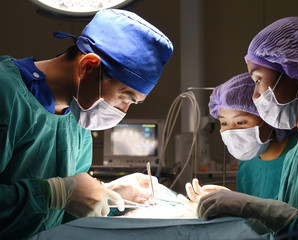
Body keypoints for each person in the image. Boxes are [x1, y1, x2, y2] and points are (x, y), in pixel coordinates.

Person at [0, 9, 173, 240]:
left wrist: (108, 194)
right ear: (88, 67)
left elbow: (63, 212)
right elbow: (58, 195)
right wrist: (55, 193)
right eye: (125, 97)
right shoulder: (6, 93)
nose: (122, 111)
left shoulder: (78, 120)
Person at [197, 16, 298, 239]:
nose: (254, 95)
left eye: (257, 79)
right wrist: (236, 211)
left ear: (293, 72)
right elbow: (283, 230)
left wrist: (257, 207)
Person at [183, 73, 297, 218]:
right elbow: (254, 223)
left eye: (241, 122)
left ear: (268, 117)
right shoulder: (246, 167)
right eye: (224, 123)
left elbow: (297, 221)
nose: (231, 131)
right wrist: (231, 203)